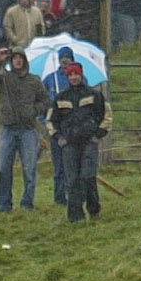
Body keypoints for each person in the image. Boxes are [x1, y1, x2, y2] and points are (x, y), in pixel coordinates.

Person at [0, 48, 49, 212]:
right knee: (3, 168)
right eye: (14, 58)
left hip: (28, 129)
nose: (18, 60)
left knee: (29, 168)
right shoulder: (4, 78)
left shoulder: (34, 81)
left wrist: (34, 111)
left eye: (20, 58)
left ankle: (27, 203)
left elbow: (45, 100)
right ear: (11, 61)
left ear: (25, 61)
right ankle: (4, 204)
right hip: (7, 129)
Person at [49, 59, 106, 221]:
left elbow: (106, 116)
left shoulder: (94, 95)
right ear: (67, 77)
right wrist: (59, 138)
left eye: (76, 74)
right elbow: (51, 121)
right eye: (70, 75)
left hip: (89, 142)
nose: (73, 77)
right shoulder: (60, 97)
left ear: (81, 75)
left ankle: (94, 210)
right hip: (69, 144)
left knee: (88, 177)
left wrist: (98, 135)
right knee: (72, 180)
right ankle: (75, 216)